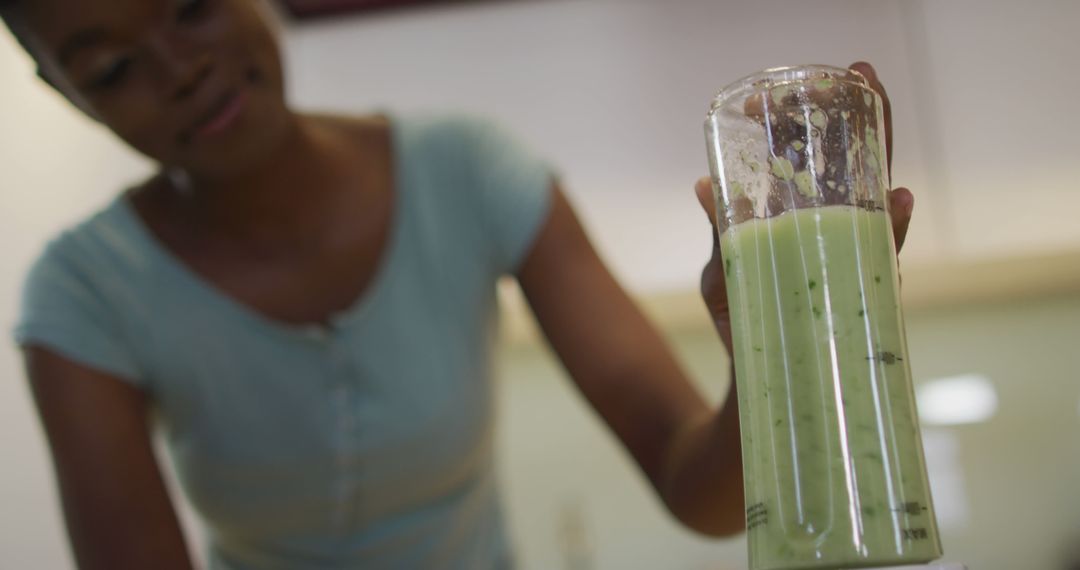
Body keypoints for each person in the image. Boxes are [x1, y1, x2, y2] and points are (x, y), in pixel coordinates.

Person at [2, 0, 915, 568]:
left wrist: (770, 345)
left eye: (192, 6)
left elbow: (699, 490)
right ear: (64, 91)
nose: (180, 70)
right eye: (114, 69)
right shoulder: (83, 296)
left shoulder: (470, 172)